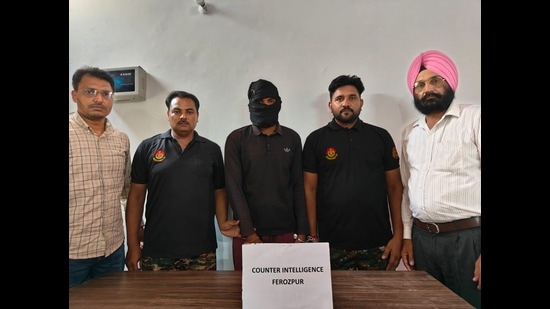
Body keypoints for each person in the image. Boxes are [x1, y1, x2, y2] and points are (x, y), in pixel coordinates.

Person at [400, 50, 481, 308]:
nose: (428, 89)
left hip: (468, 239)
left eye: (436, 80)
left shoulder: (474, 118)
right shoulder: (410, 133)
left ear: (449, 82)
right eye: (420, 84)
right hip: (423, 241)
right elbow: (406, 188)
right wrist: (407, 236)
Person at [125, 90, 240, 271]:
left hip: (202, 251)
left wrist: (223, 221)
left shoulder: (212, 150)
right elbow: (136, 197)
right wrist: (132, 246)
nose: (183, 116)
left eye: (189, 112)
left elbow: (220, 191)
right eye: (177, 111)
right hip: (157, 250)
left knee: (201, 300)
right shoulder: (148, 148)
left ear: (197, 116)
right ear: (168, 114)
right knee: (155, 300)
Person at [302, 74, 403, 271]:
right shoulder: (315, 140)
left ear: (361, 102)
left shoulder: (380, 137)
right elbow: (309, 189)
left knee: (378, 302)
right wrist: (313, 237)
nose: (346, 103)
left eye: (352, 98)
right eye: (339, 99)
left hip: (378, 245)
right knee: (338, 302)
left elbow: (395, 187)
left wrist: (398, 236)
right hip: (332, 246)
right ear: (330, 105)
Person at [224, 79, 309, 270]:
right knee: (249, 295)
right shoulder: (236, 139)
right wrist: (250, 234)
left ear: (278, 103)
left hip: (287, 233)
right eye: (260, 101)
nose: (266, 106)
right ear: (250, 105)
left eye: (271, 101)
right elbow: (233, 187)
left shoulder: (292, 138)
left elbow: (298, 185)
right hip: (247, 234)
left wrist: (302, 233)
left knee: (288, 294)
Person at [69, 66, 131, 287]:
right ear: (74, 95)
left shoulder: (121, 140)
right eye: (90, 92)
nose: (99, 98)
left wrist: (138, 225)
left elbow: (125, 190)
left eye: (106, 94)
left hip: (111, 250)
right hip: (72, 253)